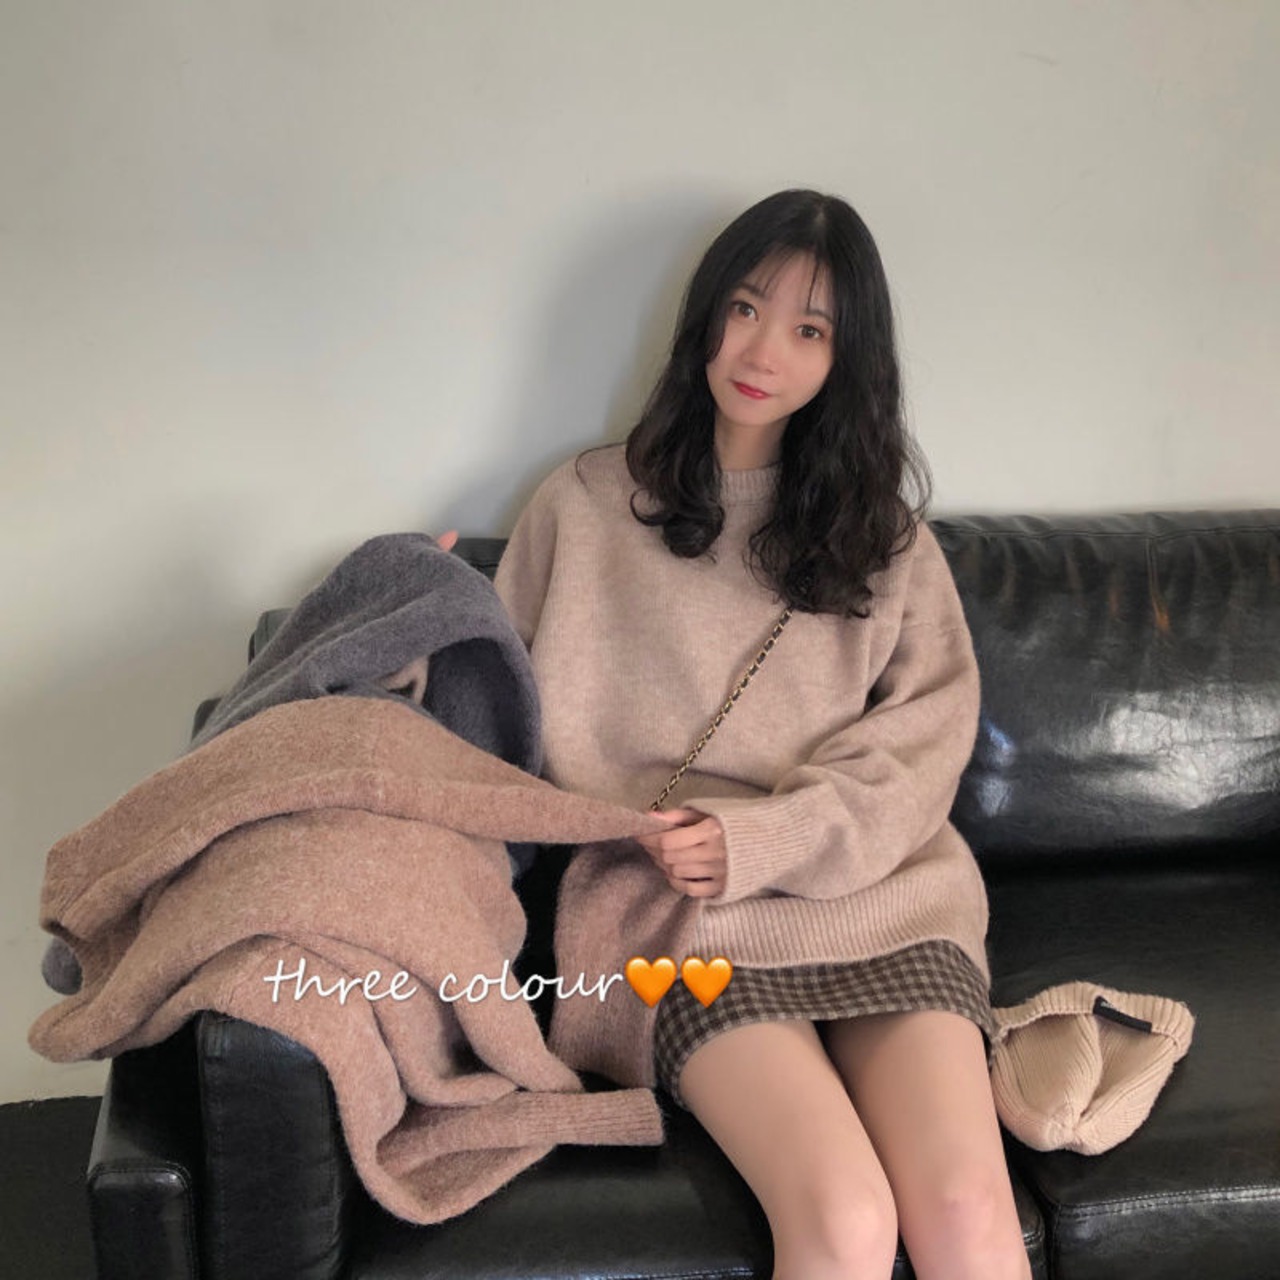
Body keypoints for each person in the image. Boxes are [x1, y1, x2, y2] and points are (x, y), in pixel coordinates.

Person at [490, 190, 1031, 1280]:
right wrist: (407, 619)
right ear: (705, 315)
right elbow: (487, 711)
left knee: (969, 1209)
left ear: (845, 358)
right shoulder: (582, 507)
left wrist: (767, 838)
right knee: (843, 1216)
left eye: (808, 328)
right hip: (675, 917)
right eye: (744, 308)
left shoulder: (884, 539)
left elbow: (925, 744)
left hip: (880, 896)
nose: (762, 351)